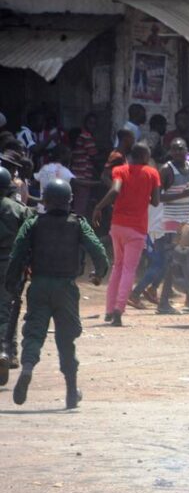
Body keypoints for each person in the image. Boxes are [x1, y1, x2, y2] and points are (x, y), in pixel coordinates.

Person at [8, 179, 108, 408]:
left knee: (33, 334)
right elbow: (98, 250)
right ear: (69, 200)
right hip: (66, 289)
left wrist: (10, 283)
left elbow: (17, 253)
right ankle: (72, 391)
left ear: (44, 201)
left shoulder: (33, 224)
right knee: (66, 339)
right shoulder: (78, 224)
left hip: (40, 286)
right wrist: (99, 272)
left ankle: (28, 368)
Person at [93, 143, 161, 327]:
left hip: (117, 225)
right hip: (137, 228)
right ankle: (118, 309)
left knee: (118, 266)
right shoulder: (152, 173)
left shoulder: (120, 170)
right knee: (129, 269)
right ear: (146, 156)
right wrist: (143, 195)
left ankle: (108, 309)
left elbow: (115, 190)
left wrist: (99, 207)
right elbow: (155, 201)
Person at [129, 138, 189, 314]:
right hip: (165, 222)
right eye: (175, 149)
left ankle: (184, 299)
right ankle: (151, 297)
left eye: (181, 149)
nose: (178, 152)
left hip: (184, 220)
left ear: (187, 150)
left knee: (181, 259)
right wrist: (182, 194)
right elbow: (155, 198)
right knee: (167, 261)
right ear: (170, 152)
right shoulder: (166, 170)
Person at [0, 167, 30, 384]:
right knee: (8, 311)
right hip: (9, 267)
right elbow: (30, 237)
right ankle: (7, 351)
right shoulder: (18, 209)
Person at [70, 113, 101, 217]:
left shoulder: (81, 136)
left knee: (78, 206)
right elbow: (94, 157)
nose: (93, 126)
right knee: (80, 209)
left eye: (95, 124)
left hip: (77, 174)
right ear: (85, 124)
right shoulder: (86, 136)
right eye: (90, 123)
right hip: (83, 176)